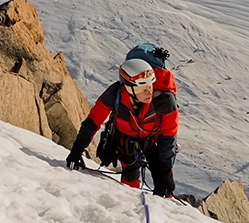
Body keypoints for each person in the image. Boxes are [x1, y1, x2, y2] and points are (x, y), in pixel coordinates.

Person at [66, 56, 179, 197]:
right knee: (130, 174)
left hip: (153, 142)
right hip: (125, 139)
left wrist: (166, 172)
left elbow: (169, 136)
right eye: (143, 87)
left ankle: (167, 212)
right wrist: (77, 150)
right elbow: (94, 120)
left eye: (150, 85)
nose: (149, 91)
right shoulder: (115, 93)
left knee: (163, 183)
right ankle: (128, 201)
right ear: (128, 87)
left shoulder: (165, 101)